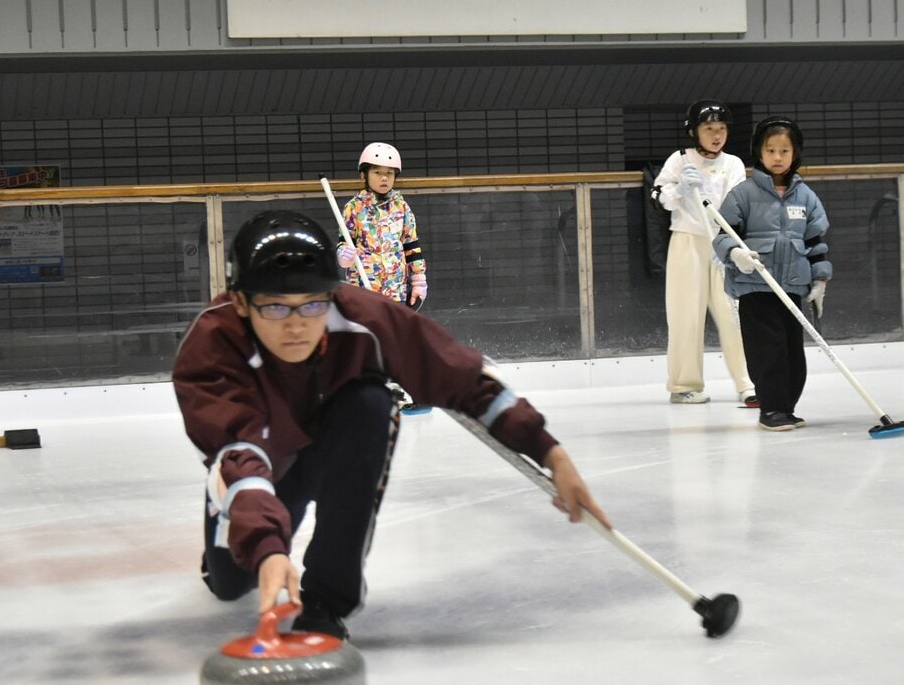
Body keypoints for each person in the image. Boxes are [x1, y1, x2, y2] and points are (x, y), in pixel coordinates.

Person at [172, 210, 610, 639]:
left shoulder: (363, 318)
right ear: (243, 303)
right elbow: (238, 455)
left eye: (312, 305)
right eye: (275, 309)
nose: (296, 327)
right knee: (233, 582)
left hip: (331, 445)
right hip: (261, 467)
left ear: (331, 295)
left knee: (370, 404)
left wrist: (550, 452)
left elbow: (459, 374)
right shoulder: (212, 348)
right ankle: (227, 549)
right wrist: (267, 548)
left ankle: (326, 599)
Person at [712, 117, 832, 432]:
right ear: (759, 153)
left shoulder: (806, 197)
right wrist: (736, 254)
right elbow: (723, 235)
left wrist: (819, 280)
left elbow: (815, 242)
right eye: (771, 150)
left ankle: (786, 406)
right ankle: (772, 408)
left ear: (795, 154)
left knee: (793, 352)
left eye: (784, 150)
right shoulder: (743, 194)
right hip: (757, 286)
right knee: (768, 350)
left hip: (792, 286)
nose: (777, 157)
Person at [651, 100, 757, 407]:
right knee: (686, 315)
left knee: (734, 315)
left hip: (723, 243)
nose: (716, 134)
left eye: (721, 128)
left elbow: (739, 204)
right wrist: (680, 189)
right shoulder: (680, 160)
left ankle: (748, 383)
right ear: (694, 131)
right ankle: (684, 385)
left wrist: (732, 242)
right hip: (687, 242)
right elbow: (658, 197)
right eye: (709, 128)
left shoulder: (733, 164)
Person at [336, 142, 427, 308]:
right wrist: (344, 257)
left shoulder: (402, 208)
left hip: (395, 291)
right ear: (364, 175)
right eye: (377, 172)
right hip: (363, 291)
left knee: (395, 333)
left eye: (389, 173)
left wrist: (419, 281)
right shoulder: (353, 208)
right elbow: (344, 242)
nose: (384, 178)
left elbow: (411, 246)